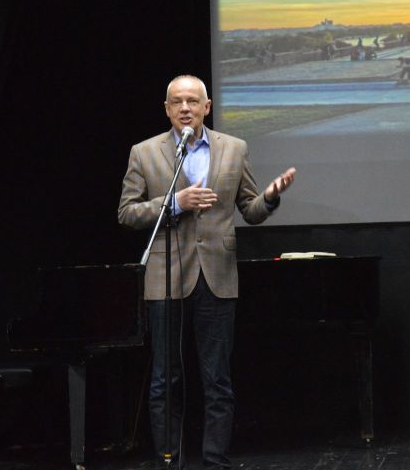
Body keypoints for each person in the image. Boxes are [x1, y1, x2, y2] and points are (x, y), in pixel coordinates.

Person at [118, 75, 296, 469]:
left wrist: (269, 197)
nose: (185, 108)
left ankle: (216, 461)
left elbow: (249, 209)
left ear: (207, 107)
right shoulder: (144, 153)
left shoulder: (234, 149)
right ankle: (170, 460)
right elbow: (127, 213)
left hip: (217, 276)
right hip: (165, 279)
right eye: (177, 102)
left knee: (217, 380)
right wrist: (175, 202)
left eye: (193, 101)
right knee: (166, 381)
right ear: (167, 109)